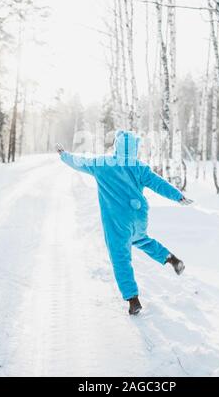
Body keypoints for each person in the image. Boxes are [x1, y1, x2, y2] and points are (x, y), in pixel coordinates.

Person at [56, 130, 193, 315]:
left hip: (118, 220)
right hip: (139, 217)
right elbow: (159, 183)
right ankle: (171, 259)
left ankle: (133, 299)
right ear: (135, 148)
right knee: (143, 240)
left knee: (120, 257)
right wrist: (178, 196)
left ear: (116, 146)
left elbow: (79, 162)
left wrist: (64, 155)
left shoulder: (102, 164)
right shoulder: (139, 167)